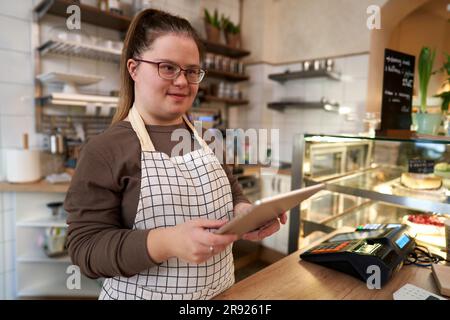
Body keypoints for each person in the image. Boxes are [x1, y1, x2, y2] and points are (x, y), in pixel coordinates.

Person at [64, 9, 287, 300]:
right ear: (134, 69)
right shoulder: (105, 149)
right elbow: (85, 248)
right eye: (167, 67)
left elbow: (233, 194)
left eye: (192, 71)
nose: (182, 81)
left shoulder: (207, 139)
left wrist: (245, 213)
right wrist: (166, 242)